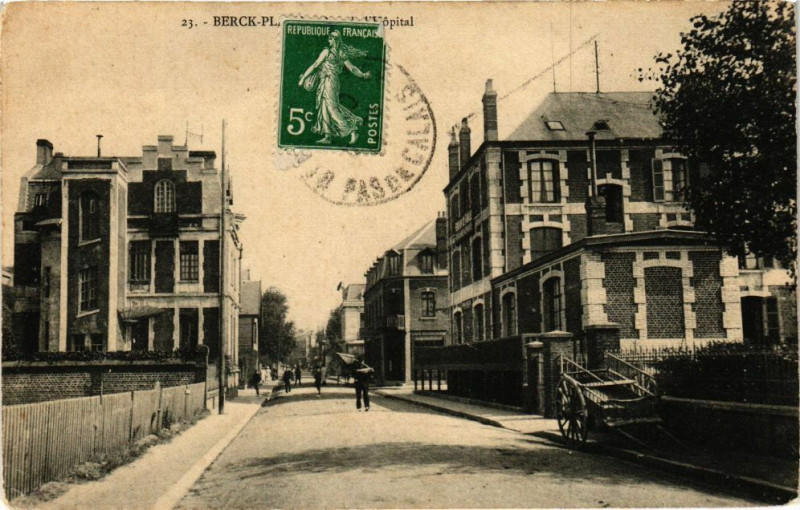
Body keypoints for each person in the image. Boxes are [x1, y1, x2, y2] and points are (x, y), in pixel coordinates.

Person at [298, 30, 372, 145]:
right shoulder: (341, 52)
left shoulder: (327, 52)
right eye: (329, 37)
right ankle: (328, 136)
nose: (329, 39)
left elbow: (315, 64)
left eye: (331, 38)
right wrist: (362, 74)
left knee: (332, 107)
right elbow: (352, 68)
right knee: (324, 107)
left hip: (330, 81)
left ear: (335, 40)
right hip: (326, 80)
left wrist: (303, 78)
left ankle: (352, 129)